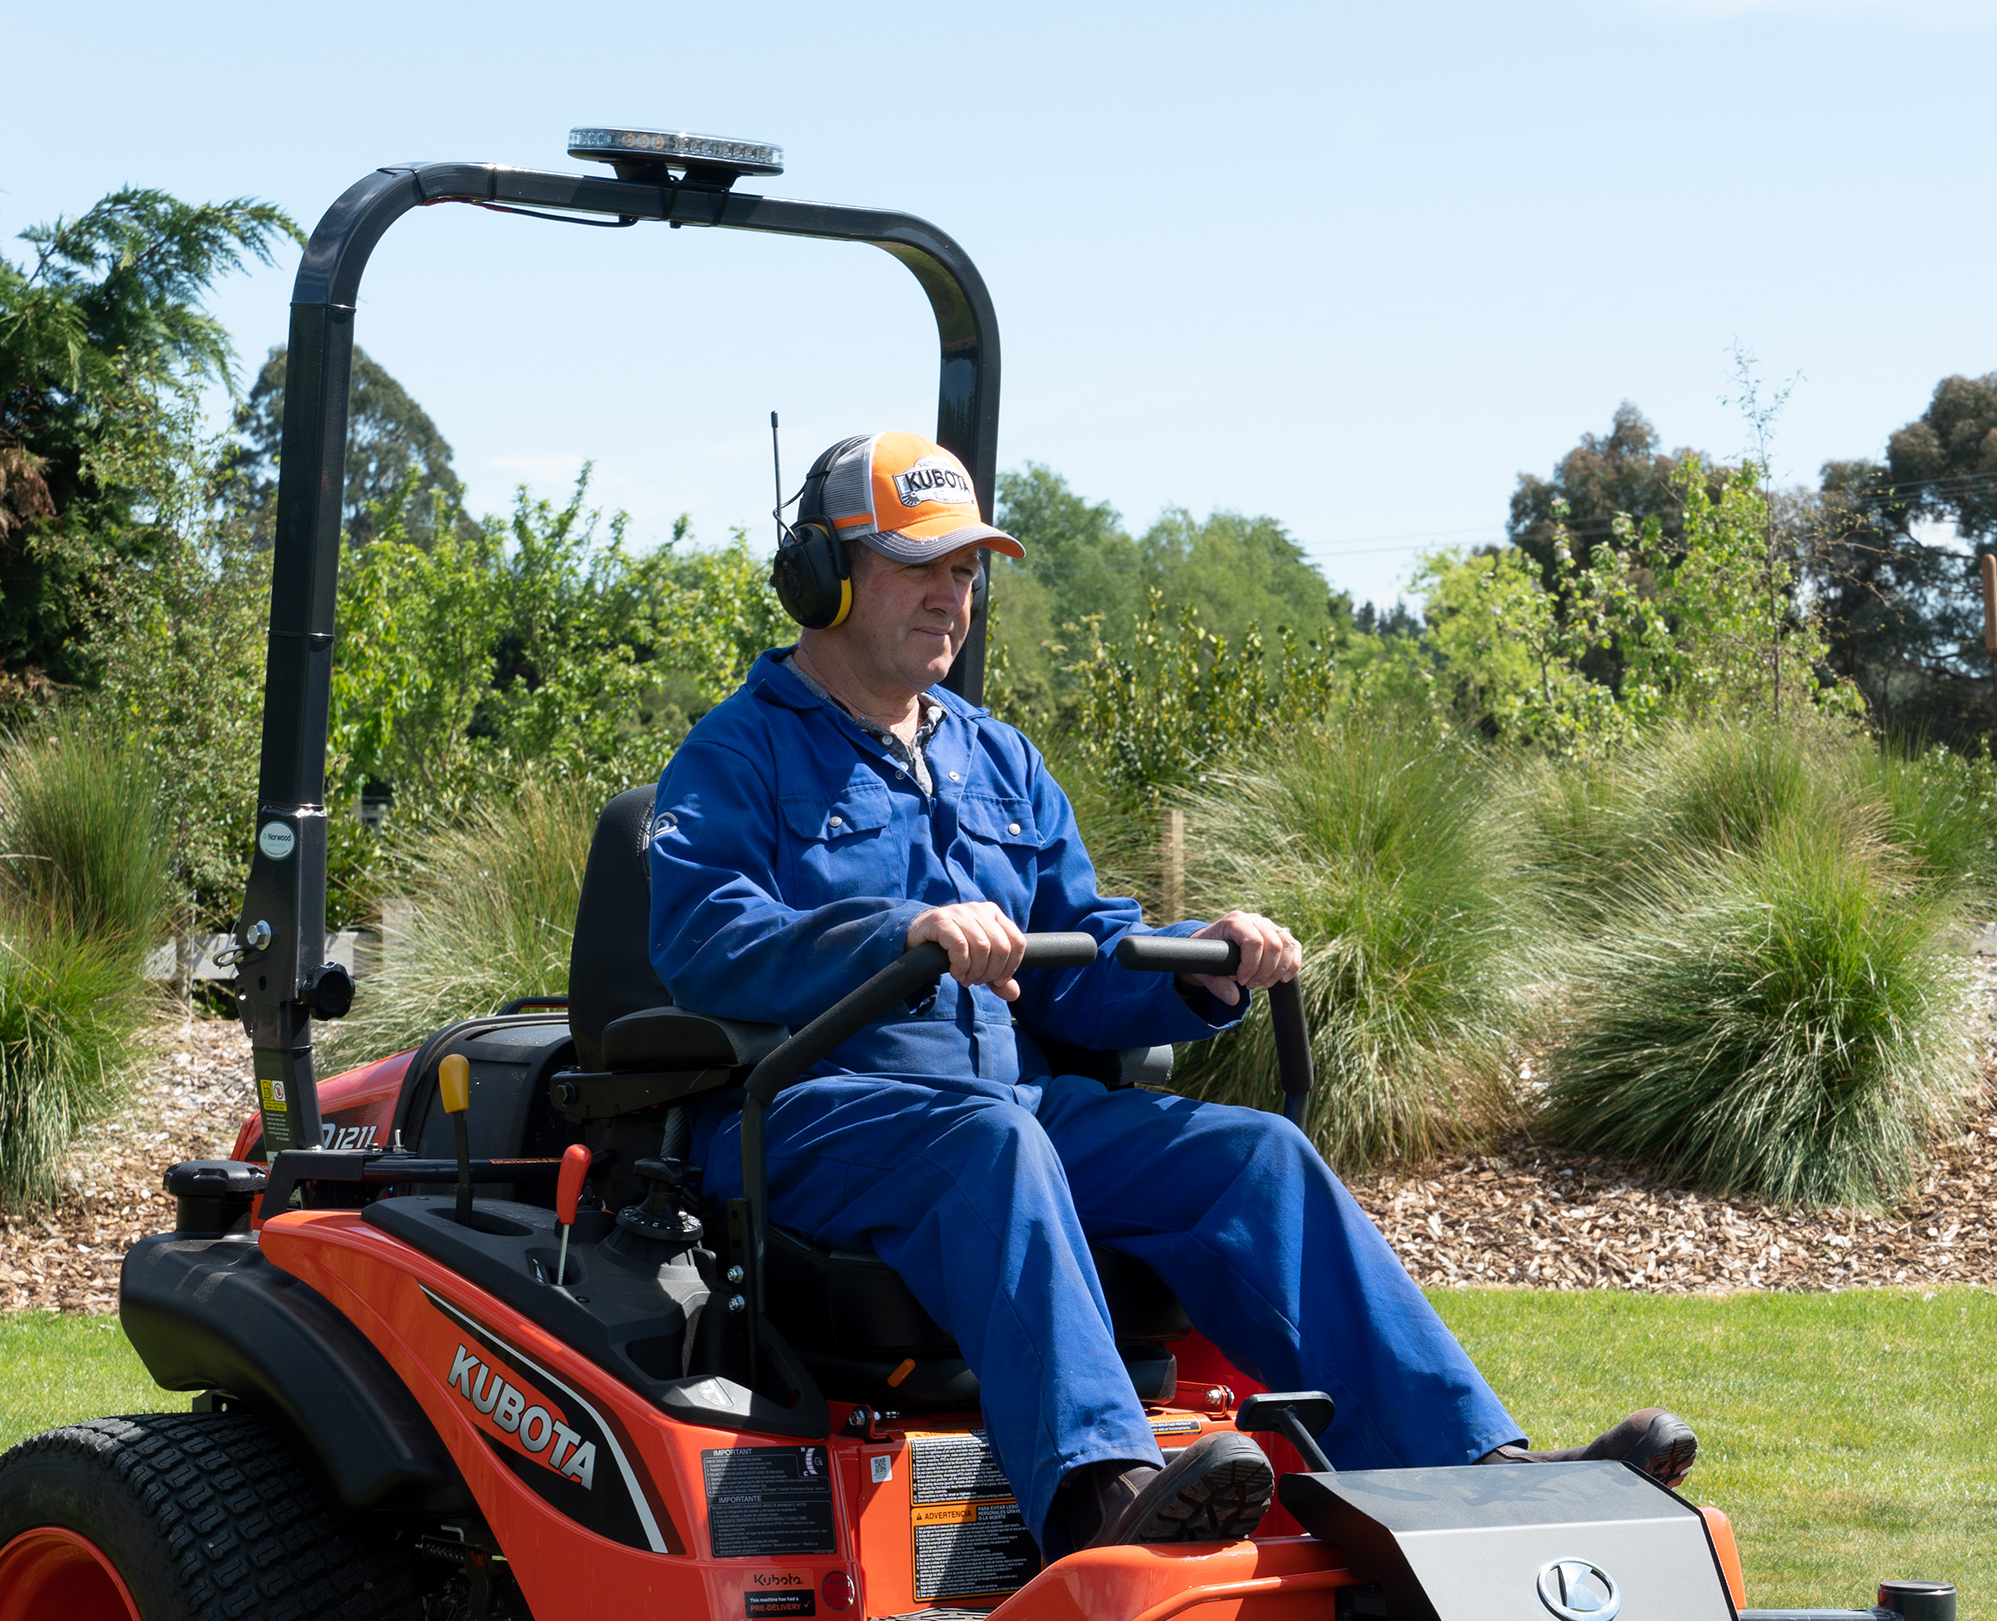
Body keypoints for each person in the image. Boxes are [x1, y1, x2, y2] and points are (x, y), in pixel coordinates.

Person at [646, 432, 1693, 1556]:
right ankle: (1104, 1498)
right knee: (992, 1142)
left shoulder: (998, 760)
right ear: (824, 575)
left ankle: (1481, 1475)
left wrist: (1201, 962)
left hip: (1009, 1111)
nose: (952, 598)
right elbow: (704, 934)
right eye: (920, 567)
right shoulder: (737, 753)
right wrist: (898, 931)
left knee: (1258, 1157)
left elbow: (1085, 958)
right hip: (816, 1112)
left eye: (966, 571)